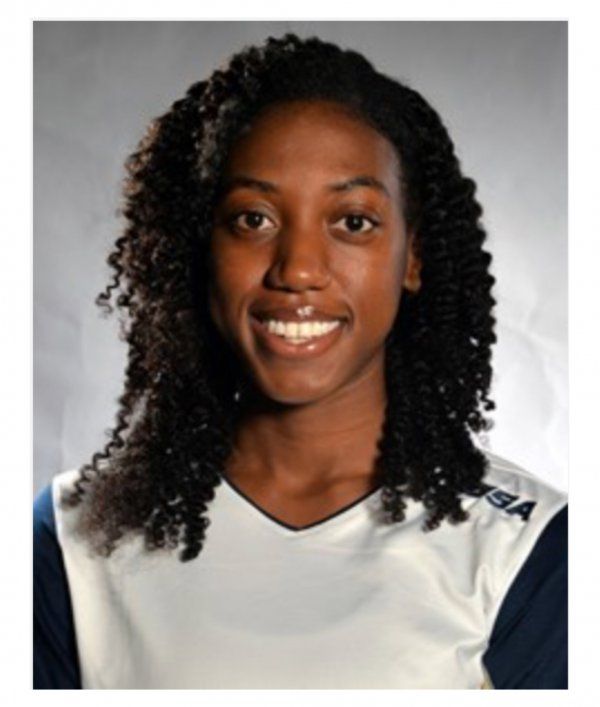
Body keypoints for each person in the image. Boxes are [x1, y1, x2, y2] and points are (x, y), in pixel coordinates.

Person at [33, 33, 567, 689]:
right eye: (253, 219)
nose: (298, 269)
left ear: (414, 257)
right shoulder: (72, 538)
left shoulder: (528, 549)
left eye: (353, 221)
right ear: (201, 249)